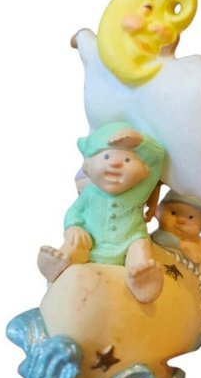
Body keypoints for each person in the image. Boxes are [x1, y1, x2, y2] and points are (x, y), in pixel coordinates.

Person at [38, 122, 165, 304]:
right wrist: (74, 227)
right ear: (88, 166)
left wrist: (140, 142)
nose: (115, 163)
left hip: (127, 244)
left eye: (127, 160)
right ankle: (59, 263)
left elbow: (157, 157)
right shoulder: (89, 194)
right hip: (92, 245)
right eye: (106, 156)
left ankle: (141, 280)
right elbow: (74, 213)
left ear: (142, 171)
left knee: (140, 246)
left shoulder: (139, 192)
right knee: (76, 242)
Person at [152, 190, 201, 269]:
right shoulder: (161, 238)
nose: (181, 221)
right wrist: (182, 245)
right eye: (173, 213)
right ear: (158, 211)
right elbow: (160, 239)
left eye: (190, 217)